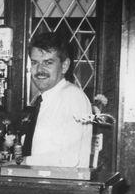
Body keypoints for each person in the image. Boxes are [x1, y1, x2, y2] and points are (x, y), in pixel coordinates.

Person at [22, 31, 93, 167]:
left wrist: (22, 162)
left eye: (48, 62)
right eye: (35, 62)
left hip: (61, 185)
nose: (39, 69)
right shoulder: (47, 98)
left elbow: (69, 159)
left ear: (64, 66)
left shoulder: (72, 98)